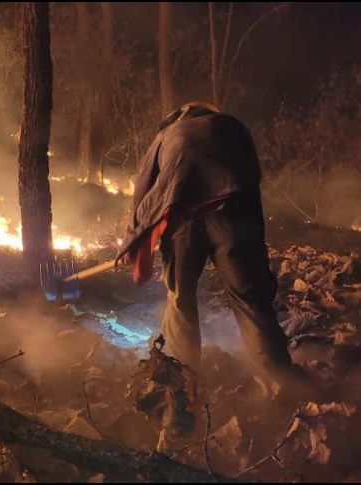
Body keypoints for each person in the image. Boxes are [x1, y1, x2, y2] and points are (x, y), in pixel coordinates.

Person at [117, 102, 303, 384]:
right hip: (234, 215)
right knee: (250, 300)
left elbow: (143, 192)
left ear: (178, 116)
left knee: (180, 300)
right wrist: (256, 259)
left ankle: (180, 384)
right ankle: (281, 382)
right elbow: (251, 183)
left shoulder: (168, 135)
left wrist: (133, 241)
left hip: (183, 225)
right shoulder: (233, 126)